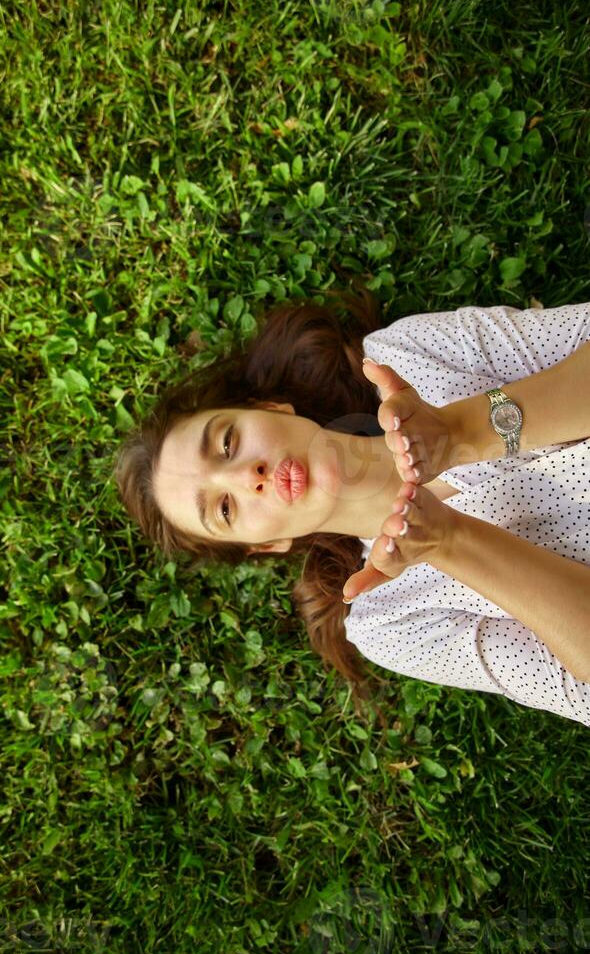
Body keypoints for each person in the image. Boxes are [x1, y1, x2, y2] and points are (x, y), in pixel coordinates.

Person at [113, 283, 590, 726]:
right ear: (268, 545)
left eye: (227, 442)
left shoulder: (405, 356)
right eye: (224, 509)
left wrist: (464, 430)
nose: (246, 476)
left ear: (272, 408)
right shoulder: (389, 621)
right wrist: (451, 541)